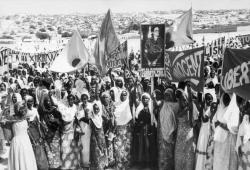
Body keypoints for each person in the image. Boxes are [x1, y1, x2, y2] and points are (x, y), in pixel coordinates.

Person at [4, 101, 37, 170]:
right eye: (21, 108)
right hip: (17, 142)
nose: (23, 110)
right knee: (19, 158)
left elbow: (27, 131)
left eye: (24, 108)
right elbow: (5, 114)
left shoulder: (25, 118)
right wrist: (11, 107)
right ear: (17, 109)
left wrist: (33, 140)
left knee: (27, 158)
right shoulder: (12, 120)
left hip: (26, 141)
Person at [155, 88, 179, 170]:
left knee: (170, 153)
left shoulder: (175, 105)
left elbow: (176, 119)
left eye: (168, 95)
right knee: (162, 153)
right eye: (165, 95)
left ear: (172, 96)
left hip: (171, 132)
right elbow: (156, 103)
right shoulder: (162, 104)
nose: (166, 96)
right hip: (162, 132)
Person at [133, 93, 157, 168]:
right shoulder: (139, 108)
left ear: (149, 99)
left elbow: (154, 119)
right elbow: (136, 119)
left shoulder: (151, 108)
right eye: (143, 98)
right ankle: (142, 162)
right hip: (141, 130)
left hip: (150, 129)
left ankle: (150, 162)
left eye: (146, 98)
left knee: (149, 146)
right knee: (141, 146)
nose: (145, 100)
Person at [25, 95, 49, 170]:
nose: (30, 102)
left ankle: (41, 165)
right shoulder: (25, 111)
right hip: (29, 130)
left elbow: (38, 120)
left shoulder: (35, 110)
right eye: (28, 101)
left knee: (39, 146)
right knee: (32, 146)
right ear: (26, 102)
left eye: (31, 101)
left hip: (37, 129)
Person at [174, 89, 196, 170]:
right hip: (180, 135)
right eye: (182, 99)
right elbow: (179, 115)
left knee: (188, 154)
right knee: (180, 155)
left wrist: (189, 90)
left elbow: (191, 123)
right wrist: (188, 108)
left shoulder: (190, 109)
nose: (184, 101)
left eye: (185, 99)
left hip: (188, 134)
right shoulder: (179, 108)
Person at [113, 90, 133, 169]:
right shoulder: (116, 104)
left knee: (126, 148)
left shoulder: (128, 104)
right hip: (118, 129)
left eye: (125, 95)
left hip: (127, 129)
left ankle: (126, 166)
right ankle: (119, 165)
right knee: (118, 148)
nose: (123, 96)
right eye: (121, 95)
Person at [195, 93, 213, 170]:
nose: (210, 100)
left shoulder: (211, 108)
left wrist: (201, 107)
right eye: (208, 99)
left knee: (205, 146)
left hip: (208, 129)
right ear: (205, 100)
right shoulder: (205, 107)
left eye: (210, 99)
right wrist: (201, 107)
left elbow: (205, 119)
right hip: (203, 129)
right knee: (201, 146)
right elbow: (199, 119)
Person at [89, 103, 108, 170]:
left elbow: (106, 124)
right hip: (95, 139)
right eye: (95, 109)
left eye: (98, 109)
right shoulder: (91, 119)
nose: (96, 110)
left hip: (102, 138)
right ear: (93, 109)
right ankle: (98, 167)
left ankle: (103, 166)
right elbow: (91, 129)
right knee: (97, 153)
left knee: (103, 151)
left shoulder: (101, 117)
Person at [77, 92, 92, 169]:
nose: (84, 100)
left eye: (85, 99)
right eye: (83, 99)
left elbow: (90, 118)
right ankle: (82, 163)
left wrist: (83, 118)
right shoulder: (79, 105)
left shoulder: (90, 105)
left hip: (88, 128)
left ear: (87, 98)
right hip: (81, 128)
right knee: (82, 146)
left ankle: (87, 163)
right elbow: (77, 117)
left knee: (87, 146)